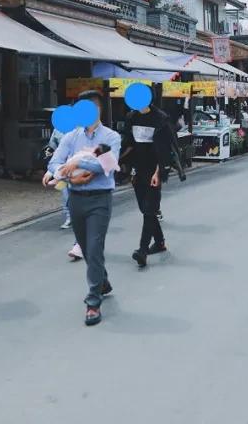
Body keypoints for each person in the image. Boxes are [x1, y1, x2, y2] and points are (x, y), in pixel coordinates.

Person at [46, 90, 121, 326]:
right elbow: (55, 162)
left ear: (98, 110)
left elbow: (106, 165)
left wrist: (77, 161)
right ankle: (103, 282)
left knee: (95, 248)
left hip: (100, 199)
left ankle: (92, 303)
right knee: (87, 248)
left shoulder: (111, 137)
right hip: (75, 198)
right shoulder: (70, 137)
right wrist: (68, 177)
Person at [121, 101, 176, 268]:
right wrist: (121, 161)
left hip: (154, 170)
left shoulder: (161, 119)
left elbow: (166, 149)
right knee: (145, 209)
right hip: (138, 169)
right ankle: (159, 243)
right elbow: (128, 143)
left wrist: (159, 172)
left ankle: (142, 251)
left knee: (149, 208)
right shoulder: (132, 117)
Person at [43, 128, 84, 262]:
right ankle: (79, 241)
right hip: (67, 175)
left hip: (89, 178)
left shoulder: (90, 131)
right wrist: (52, 171)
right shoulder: (61, 132)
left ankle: (82, 243)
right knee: (71, 202)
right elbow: (56, 152)